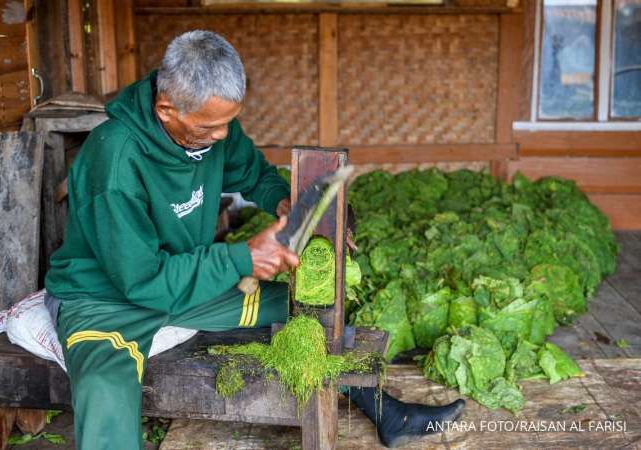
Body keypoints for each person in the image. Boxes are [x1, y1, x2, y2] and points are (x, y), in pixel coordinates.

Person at [44, 30, 464, 449]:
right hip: (106, 299)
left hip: (185, 279)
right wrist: (241, 258)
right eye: (211, 126)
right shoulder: (115, 160)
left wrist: (286, 202)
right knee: (104, 390)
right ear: (166, 108)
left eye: (228, 122)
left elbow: (254, 174)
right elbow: (142, 281)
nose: (223, 135)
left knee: (311, 312)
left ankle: (388, 413)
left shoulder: (208, 125)